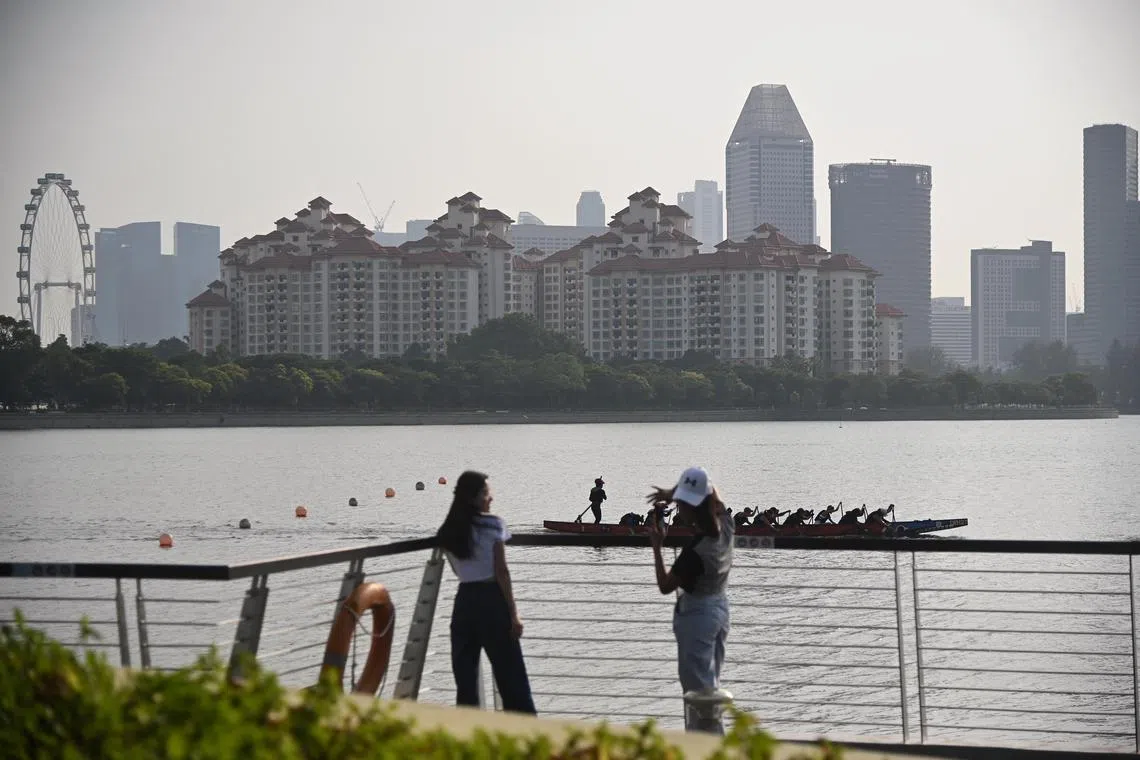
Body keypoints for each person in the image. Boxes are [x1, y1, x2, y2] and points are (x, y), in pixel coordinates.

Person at [436, 471, 536, 714]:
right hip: (492, 601)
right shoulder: (493, 524)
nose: (491, 498)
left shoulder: (448, 531)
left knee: (466, 682)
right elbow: (502, 572)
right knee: (512, 679)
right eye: (486, 493)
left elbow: (459, 572)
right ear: (475, 497)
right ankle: (528, 740)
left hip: (464, 602)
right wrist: (514, 614)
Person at [646, 467, 733, 734]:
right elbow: (713, 493)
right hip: (720, 608)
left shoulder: (696, 552)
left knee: (699, 696)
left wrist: (657, 547)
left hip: (697, 617)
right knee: (711, 686)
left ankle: (708, 747)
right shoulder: (726, 525)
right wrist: (676, 493)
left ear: (691, 508)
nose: (677, 508)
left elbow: (665, 585)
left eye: (681, 504)